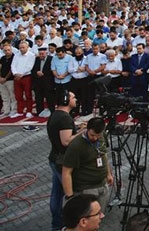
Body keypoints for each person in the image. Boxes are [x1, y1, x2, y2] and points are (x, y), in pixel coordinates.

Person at [47, 89, 85, 231]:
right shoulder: (64, 118)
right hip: (62, 162)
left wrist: (77, 129)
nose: (75, 99)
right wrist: (83, 132)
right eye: (73, 97)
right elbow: (66, 141)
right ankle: (68, 224)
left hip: (55, 159)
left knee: (56, 195)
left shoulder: (56, 115)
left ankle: (56, 224)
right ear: (66, 100)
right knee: (70, 194)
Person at [62, 117, 113, 210]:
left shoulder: (102, 136)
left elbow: (103, 155)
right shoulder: (76, 145)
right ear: (87, 129)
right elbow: (66, 172)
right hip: (85, 189)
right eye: (92, 135)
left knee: (98, 217)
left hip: (102, 185)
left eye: (98, 135)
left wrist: (108, 174)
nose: (95, 138)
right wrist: (70, 197)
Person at [0, 44, 16, 118]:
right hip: (1, 80)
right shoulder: (2, 58)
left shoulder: (14, 57)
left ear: (11, 50)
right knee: (5, 97)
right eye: (5, 50)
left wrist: (5, 78)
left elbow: (11, 69)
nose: (7, 52)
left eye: (8, 50)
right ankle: (6, 111)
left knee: (12, 96)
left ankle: (13, 110)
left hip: (10, 80)